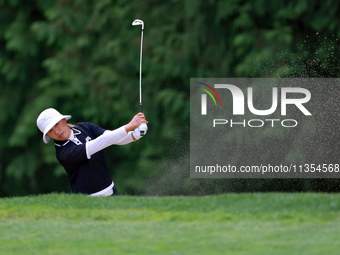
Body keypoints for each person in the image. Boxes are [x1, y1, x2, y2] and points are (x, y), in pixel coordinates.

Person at [36, 108, 148, 197]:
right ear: (48, 135)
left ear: (63, 120)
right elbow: (98, 144)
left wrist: (136, 134)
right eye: (50, 130)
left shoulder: (86, 127)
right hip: (87, 201)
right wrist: (129, 126)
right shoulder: (63, 153)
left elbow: (114, 138)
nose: (56, 131)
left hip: (111, 192)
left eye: (56, 124)